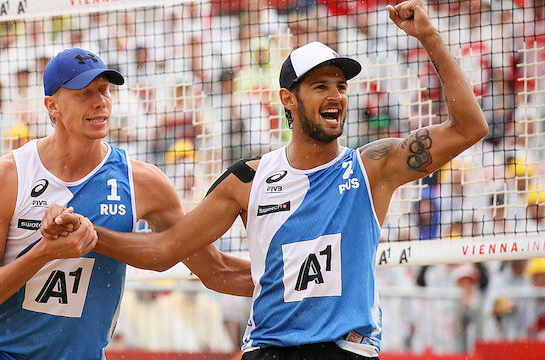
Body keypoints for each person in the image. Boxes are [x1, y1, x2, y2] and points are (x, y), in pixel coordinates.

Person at [46, 1, 488, 358]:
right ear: (287, 99)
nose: (335, 95)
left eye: (340, 85)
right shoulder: (247, 179)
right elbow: (166, 251)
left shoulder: (372, 166)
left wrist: (429, 36)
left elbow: (470, 129)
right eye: (320, 86)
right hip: (268, 349)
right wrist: (89, 235)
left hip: (345, 349)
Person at [0, 48, 252, 360]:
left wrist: (293, 283)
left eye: (104, 90)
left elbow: (215, 269)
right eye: (84, 93)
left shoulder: (142, 182)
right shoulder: (6, 177)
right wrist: (44, 253)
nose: (100, 102)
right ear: (52, 106)